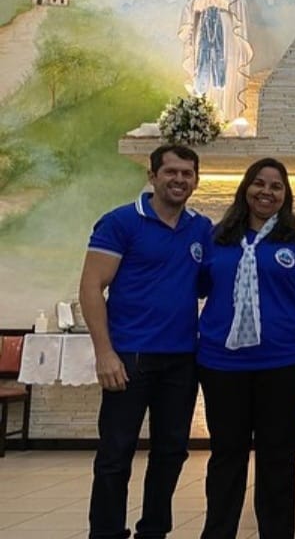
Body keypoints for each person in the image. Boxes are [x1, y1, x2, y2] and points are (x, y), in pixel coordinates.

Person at [80, 144, 213, 539]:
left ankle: (154, 531)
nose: (179, 180)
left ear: (196, 180)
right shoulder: (121, 222)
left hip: (182, 359)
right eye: (171, 172)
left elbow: (207, 283)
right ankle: (106, 532)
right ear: (152, 176)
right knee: (116, 453)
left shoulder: (201, 229)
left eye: (187, 173)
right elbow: (91, 287)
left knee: (171, 452)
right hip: (130, 356)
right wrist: (105, 353)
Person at [196, 158, 295, 538]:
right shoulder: (218, 237)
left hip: (285, 362)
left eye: (276, 186)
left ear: (286, 194)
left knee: (277, 459)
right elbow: (197, 288)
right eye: (259, 183)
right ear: (245, 189)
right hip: (222, 364)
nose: (266, 192)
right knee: (227, 456)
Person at [179, 0, 253, 124]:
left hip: (225, 37)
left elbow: (239, 10)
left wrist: (221, 0)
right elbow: (190, 10)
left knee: (225, 71)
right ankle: (204, 115)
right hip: (204, 37)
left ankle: (225, 114)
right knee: (204, 72)